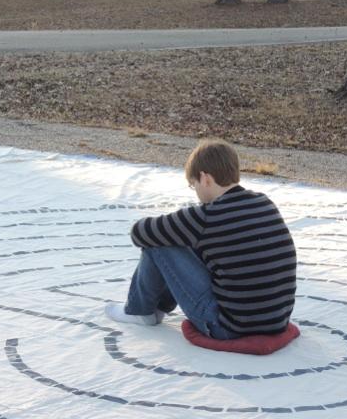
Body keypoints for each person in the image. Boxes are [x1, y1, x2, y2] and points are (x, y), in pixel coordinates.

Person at [105, 139, 296, 339]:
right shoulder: (265, 202)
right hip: (276, 322)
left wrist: (182, 225)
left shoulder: (207, 216)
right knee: (186, 239)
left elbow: (140, 233)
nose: (196, 192)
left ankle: (139, 311)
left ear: (205, 178)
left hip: (228, 328)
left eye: (193, 185)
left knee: (159, 241)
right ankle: (158, 308)